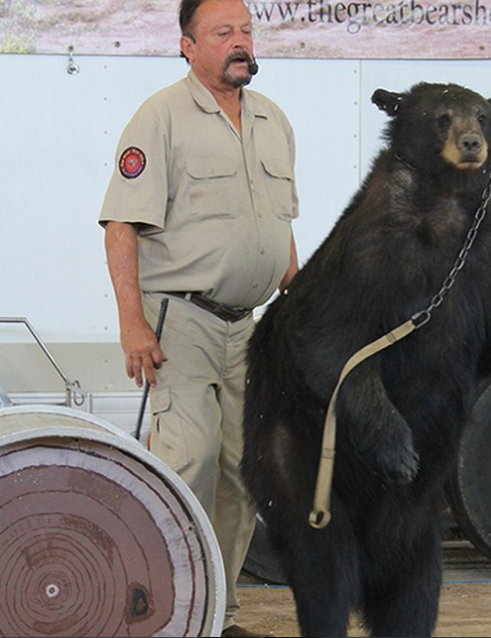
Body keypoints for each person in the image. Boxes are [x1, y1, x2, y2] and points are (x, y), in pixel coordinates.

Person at [99, 0, 299, 635]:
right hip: (178, 323)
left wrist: (302, 299)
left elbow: (279, 228)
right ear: (187, 46)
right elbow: (121, 225)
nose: (239, 43)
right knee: (186, 465)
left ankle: (215, 614)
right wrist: (133, 324)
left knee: (245, 476)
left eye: (245, 31)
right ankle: (159, 614)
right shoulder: (160, 117)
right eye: (223, 34)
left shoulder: (273, 121)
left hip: (252, 327)